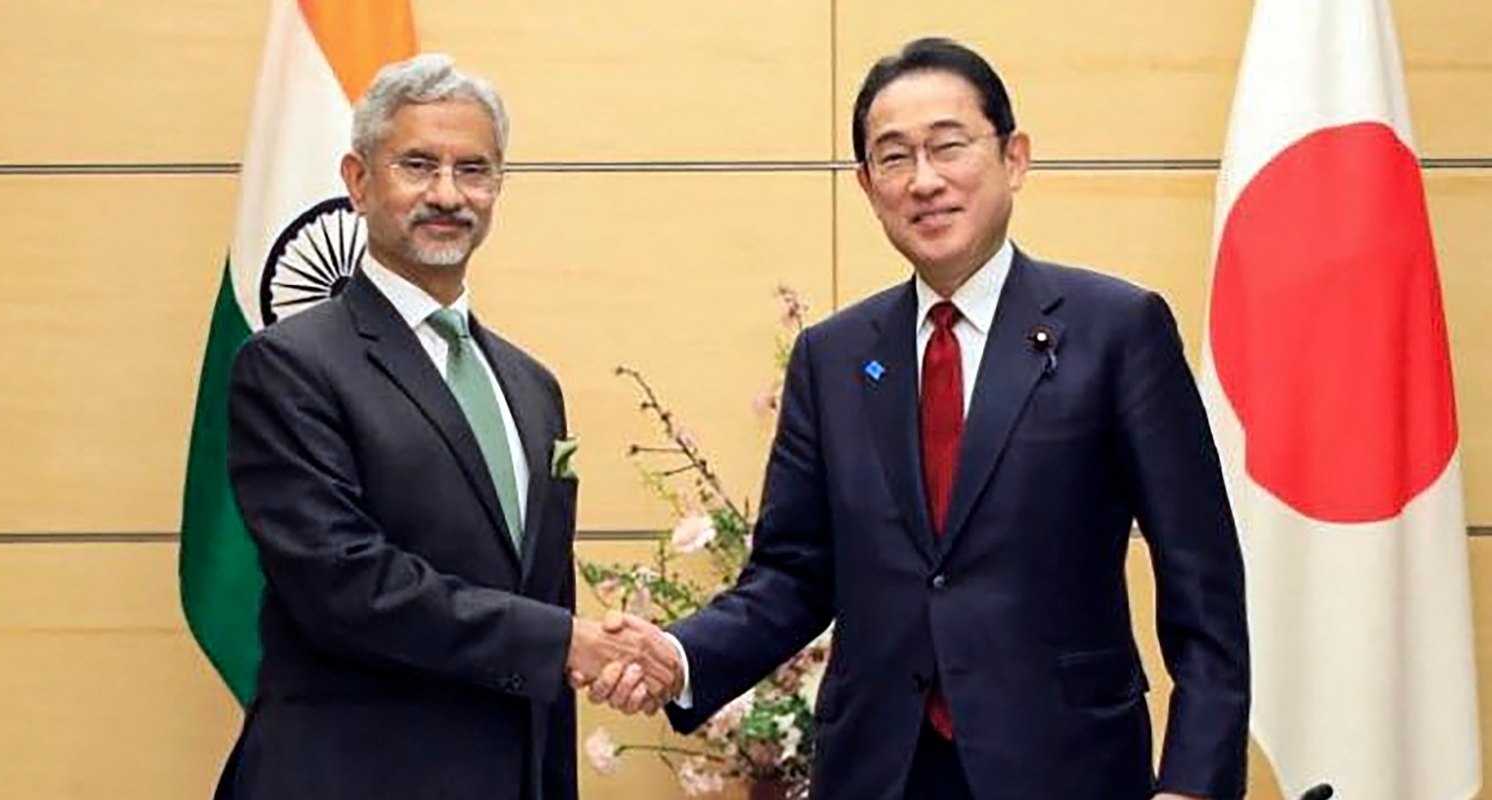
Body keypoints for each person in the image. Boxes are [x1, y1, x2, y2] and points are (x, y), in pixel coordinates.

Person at [590, 37, 1249, 800]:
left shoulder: (1117, 330)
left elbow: (1204, 582)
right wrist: (681, 655)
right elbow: (794, 575)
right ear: (869, 187)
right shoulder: (833, 358)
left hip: (1066, 765)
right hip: (881, 769)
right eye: (895, 158)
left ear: (1014, 158)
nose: (925, 181)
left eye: (948, 146)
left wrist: (1195, 782)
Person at [214, 54, 678, 800]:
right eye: (418, 165)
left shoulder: (531, 387)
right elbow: (345, 585)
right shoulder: (288, 367)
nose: (447, 195)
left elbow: (541, 594)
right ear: (360, 182)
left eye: (474, 170)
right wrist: (565, 642)